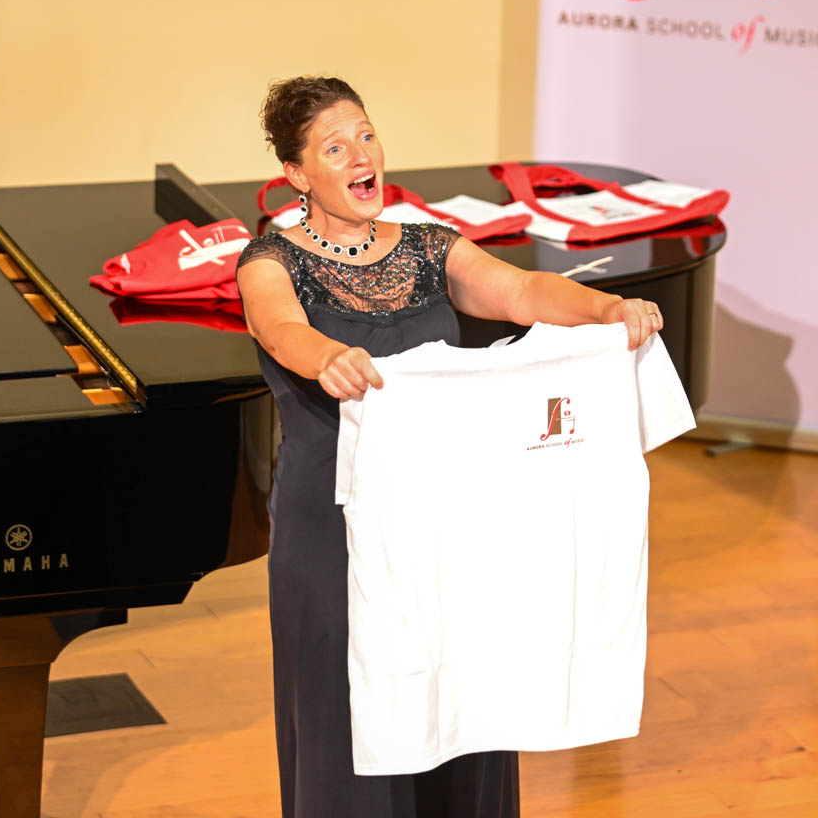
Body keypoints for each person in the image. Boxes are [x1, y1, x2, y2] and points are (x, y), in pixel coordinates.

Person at [235, 76, 664, 818]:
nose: (361, 156)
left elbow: (521, 293)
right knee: (347, 707)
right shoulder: (269, 261)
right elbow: (280, 329)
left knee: (458, 691)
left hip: (444, 518)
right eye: (335, 148)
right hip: (332, 526)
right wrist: (325, 356)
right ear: (297, 175)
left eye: (366, 135)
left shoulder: (428, 247)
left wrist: (605, 307)